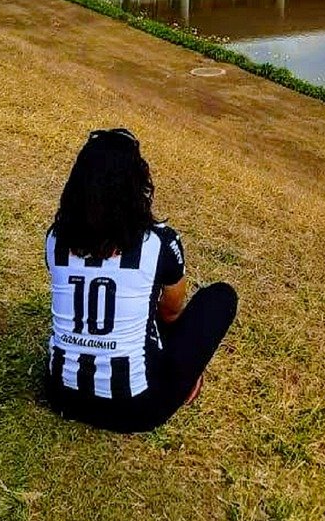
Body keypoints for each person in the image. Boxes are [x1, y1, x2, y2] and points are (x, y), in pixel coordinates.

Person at [43, 127, 237, 433]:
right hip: (136, 410)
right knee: (221, 297)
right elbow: (170, 313)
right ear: (138, 185)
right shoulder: (159, 241)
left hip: (61, 396)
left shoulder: (55, 240)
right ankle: (181, 378)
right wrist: (186, 362)